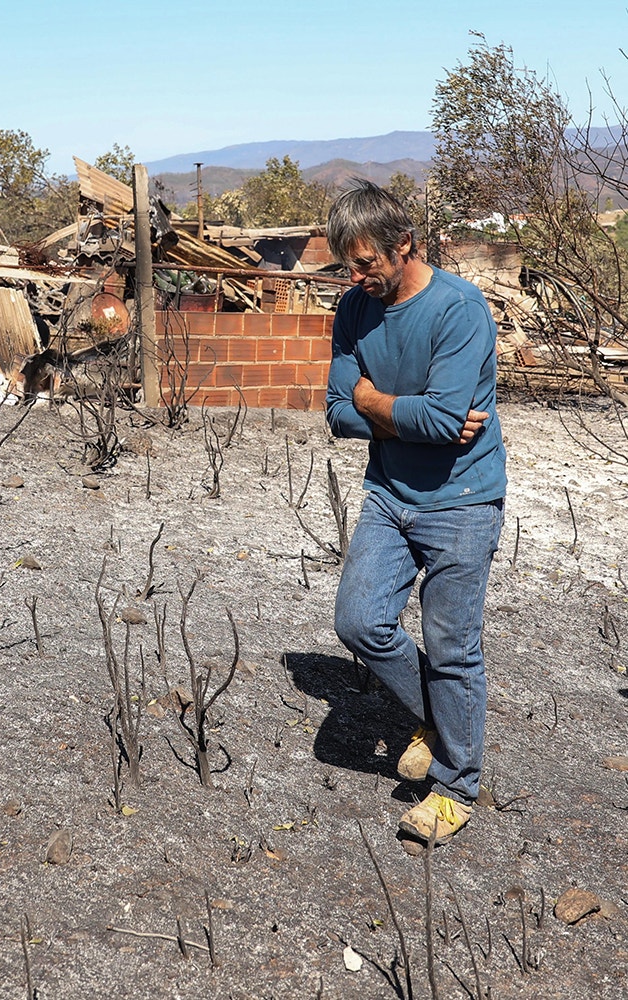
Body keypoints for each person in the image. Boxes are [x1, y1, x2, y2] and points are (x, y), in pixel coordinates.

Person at [325, 181, 506, 845]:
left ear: (406, 244)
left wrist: (376, 402)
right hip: (390, 493)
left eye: (367, 261)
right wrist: (395, 413)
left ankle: (456, 784)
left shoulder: (459, 310)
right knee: (358, 621)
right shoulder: (353, 309)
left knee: (453, 647)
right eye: (348, 262)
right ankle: (441, 719)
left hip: (463, 499)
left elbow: (445, 420)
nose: (357, 275)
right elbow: (339, 413)